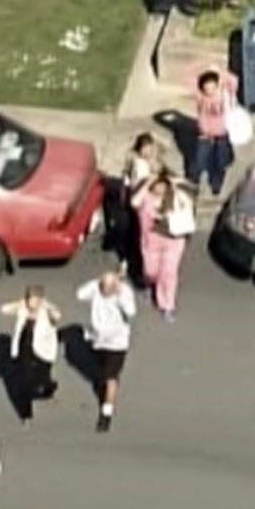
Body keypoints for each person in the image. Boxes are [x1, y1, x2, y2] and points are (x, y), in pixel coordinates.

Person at [76, 270, 137, 432]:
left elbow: (131, 311)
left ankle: (106, 413)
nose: (104, 290)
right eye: (102, 286)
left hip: (117, 343)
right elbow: (80, 294)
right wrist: (98, 282)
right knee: (102, 373)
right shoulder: (96, 289)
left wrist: (119, 294)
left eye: (108, 287)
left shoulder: (123, 293)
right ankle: (106, 384)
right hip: (97, 340)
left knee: (111, 377)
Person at [132, 174, 194, 322]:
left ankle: (167, 306)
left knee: (169, 273)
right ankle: (149, 283)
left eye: (163, 185)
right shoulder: (146, 198)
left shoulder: (176, 198)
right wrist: (148, 182)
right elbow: (134, 202)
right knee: (151, 270)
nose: (160, 188)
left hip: (173, 240)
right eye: (157, 185)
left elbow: (189, 193)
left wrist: (174, 183)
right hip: (151, 241)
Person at [0, 285, 61, 425]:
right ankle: (26, 414)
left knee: (44, 377)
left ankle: (48, 391)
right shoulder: (23, 309)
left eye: (35, 300)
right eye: (29, 299)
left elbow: (57, 315)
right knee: (24, 383)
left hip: (43, 351)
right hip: (24, 350)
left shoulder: (46, 311)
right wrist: (20, 304)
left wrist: (45, 306)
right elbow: (4, 309)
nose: (31, 304)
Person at [116, 132, 164, 274]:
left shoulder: (150, 161)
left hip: (143, 203)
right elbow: (136, 184)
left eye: (150, 148)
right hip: (138, 202)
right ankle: (129, 262)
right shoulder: (139, 164)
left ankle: (136, 262)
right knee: (134, 233)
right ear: (140, 149)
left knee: (139, 234)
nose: (148, 151)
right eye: (146, 148)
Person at [188, 65, 239, 197]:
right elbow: (190, 80)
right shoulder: (200, 97)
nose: (209, 91)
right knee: (199, 161)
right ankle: (193, 183)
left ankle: (216, 185)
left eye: (212, 87)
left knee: (220, 163)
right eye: (206, 88)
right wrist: (205, 67)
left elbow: (233, 80)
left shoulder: (224, 95)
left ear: (217, 85)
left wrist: (218, 70)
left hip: (222, 134)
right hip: (205, 135)